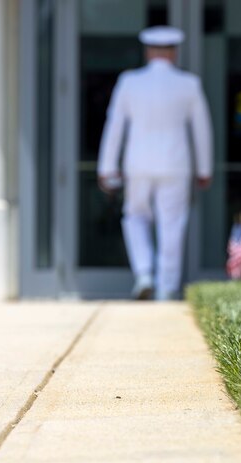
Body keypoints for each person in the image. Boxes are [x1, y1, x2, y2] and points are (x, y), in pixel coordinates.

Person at [97, 26, 213, 301]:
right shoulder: (189, 83)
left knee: (135, 217)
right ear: (174, 52)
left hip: (138, 165)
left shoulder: (129, 81)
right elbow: (202, 130)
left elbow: (114, 126)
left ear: (148, 51)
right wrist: (204, 169)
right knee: (171, 225)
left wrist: (107, 166)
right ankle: (165, 288)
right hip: (176, 165)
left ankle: (144, 273)